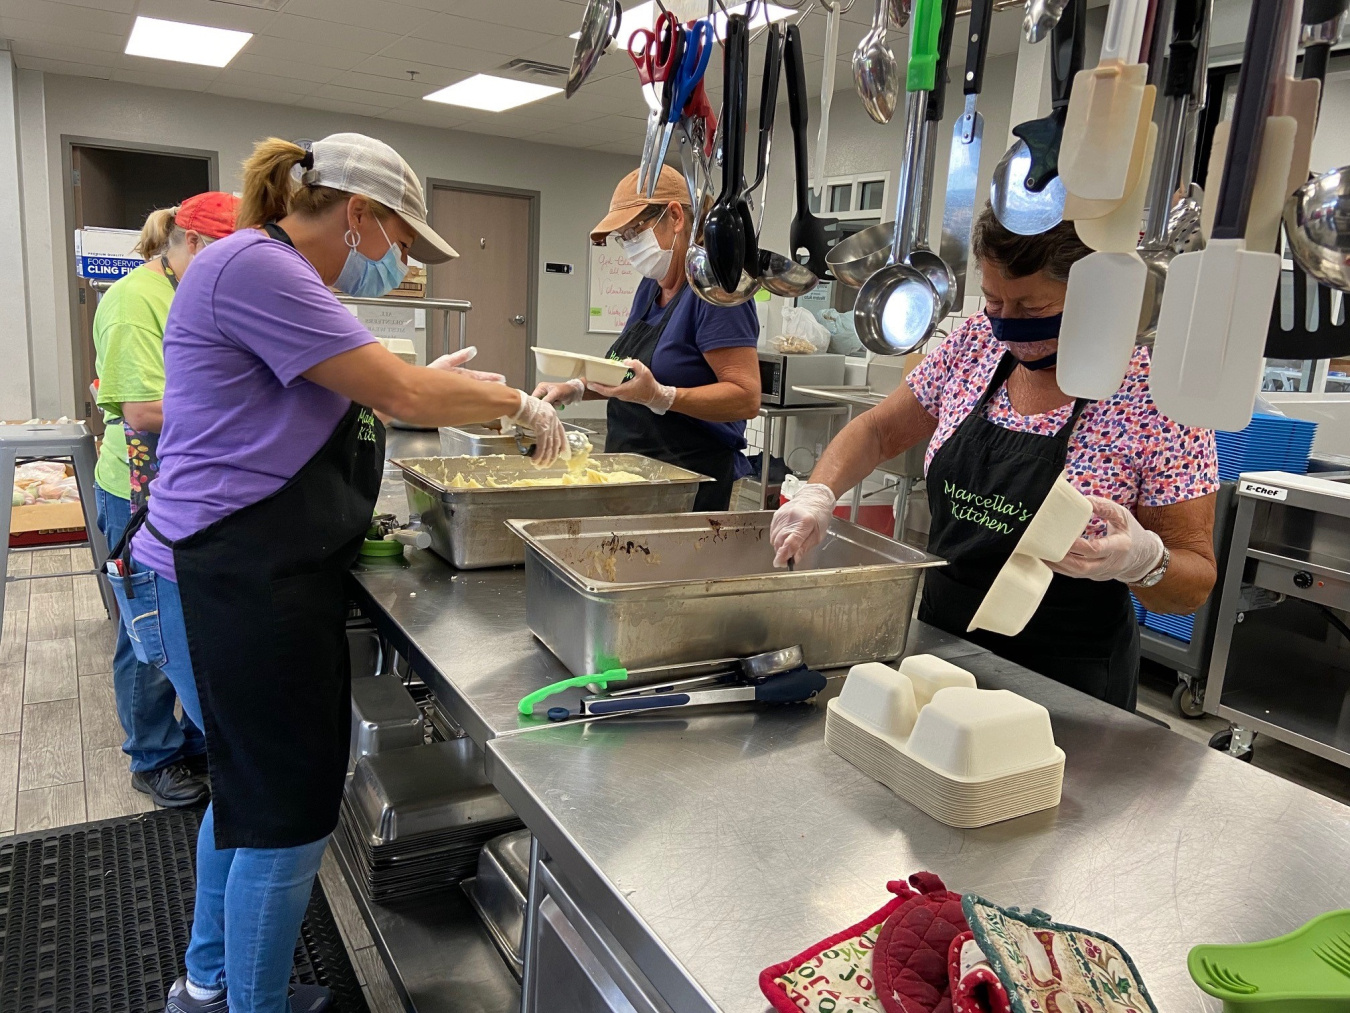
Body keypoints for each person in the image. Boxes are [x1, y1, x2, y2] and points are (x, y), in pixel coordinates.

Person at [101, 133, 565, 1013]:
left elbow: (358, 386)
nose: (397, 264)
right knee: (284, 822)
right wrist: (518, 402)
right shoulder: (257, 267)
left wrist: (420, 380)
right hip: (222, 582)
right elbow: (401, 396)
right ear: (358, 214)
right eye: (397, 241)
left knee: (245, 796)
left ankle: (208, 989)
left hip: (232, 576)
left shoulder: (273, 275)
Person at [770, 208, 1220, 710]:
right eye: (993, 301)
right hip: (941, 647)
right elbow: (877, 432)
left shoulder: (1154, 392)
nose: (1007, 325)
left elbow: (1193, 580)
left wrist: (1143, 560)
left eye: (1031, 309)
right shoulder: (975, 344)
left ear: (1097, 296)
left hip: (1068, 680)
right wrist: (817, 494)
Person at [91, 192, 239, 808]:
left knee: (184, 623)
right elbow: (142, 410)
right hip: (137, 486)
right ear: (196, 246)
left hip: (189, 484)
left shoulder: (192, 290)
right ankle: (151, 755)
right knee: (147, 628)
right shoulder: (132, 300)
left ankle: (186, 736)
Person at [533, 165, 761, 510]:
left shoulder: (716, 294)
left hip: (691, 481)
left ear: (674, 217)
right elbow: (629, 375)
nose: (629, 246)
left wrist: (663, 396)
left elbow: (745, 398)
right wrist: (577, 388)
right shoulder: (650, 288)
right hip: (635, 474)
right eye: (623, 237)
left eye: (634, 232)